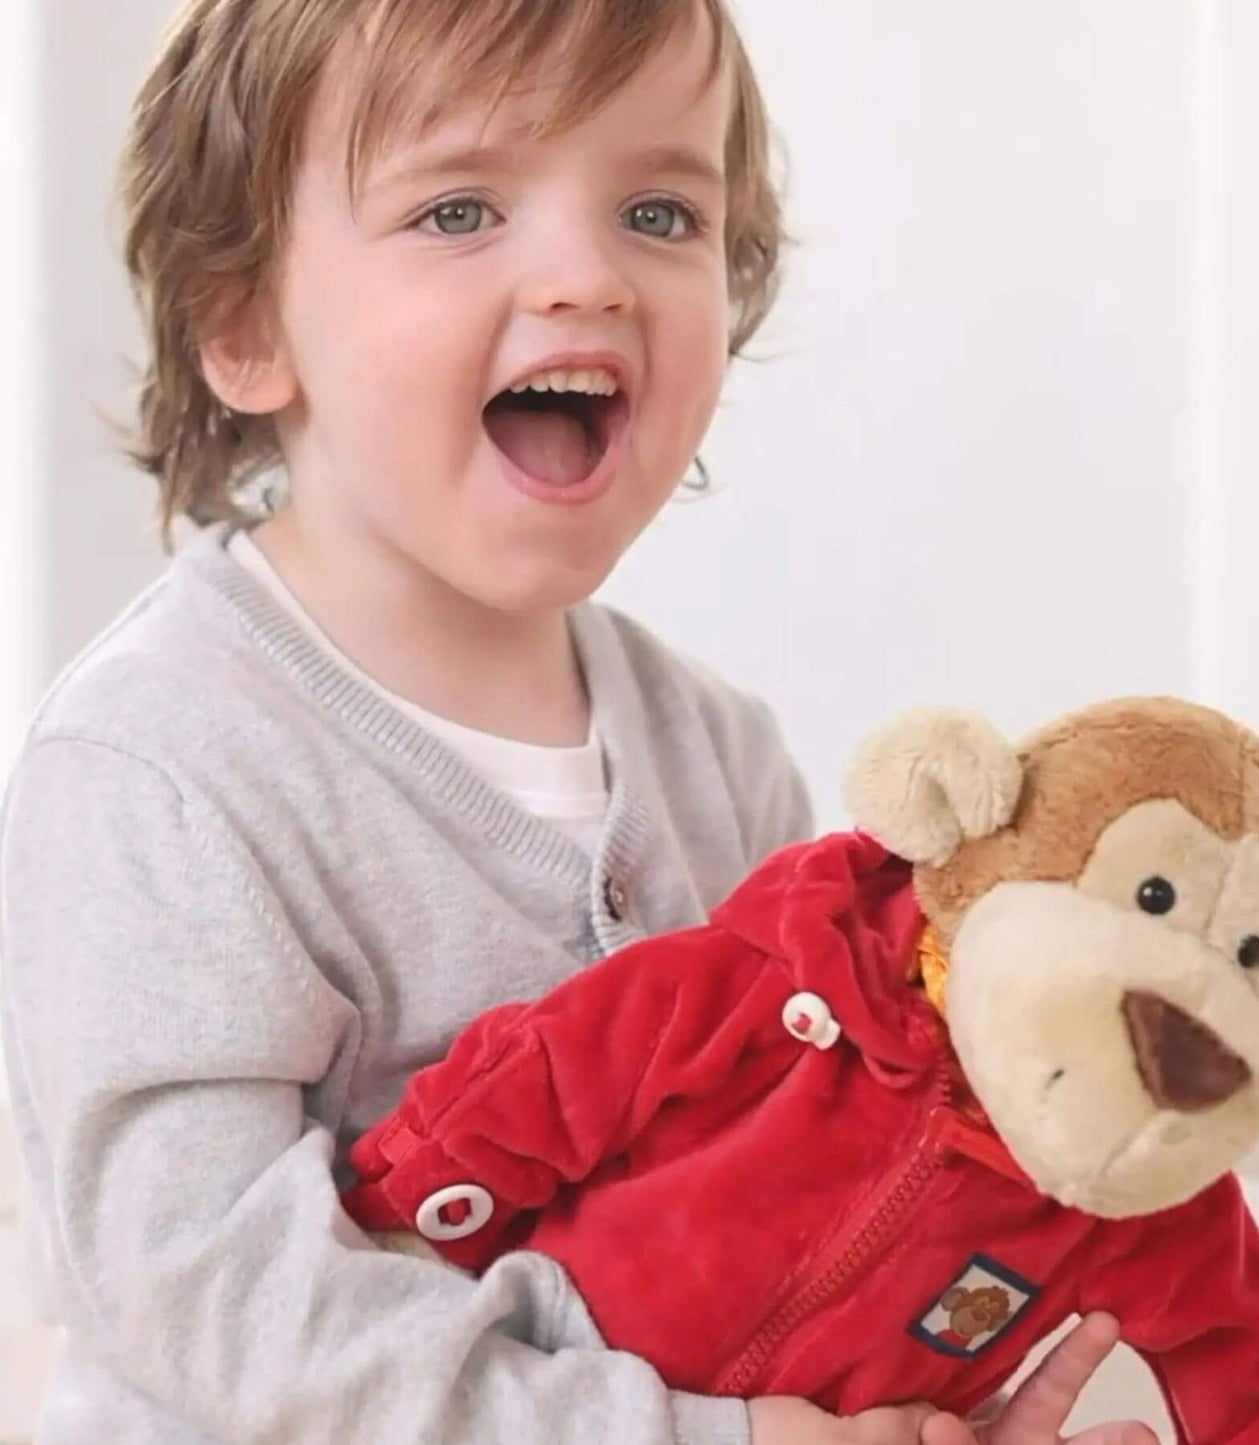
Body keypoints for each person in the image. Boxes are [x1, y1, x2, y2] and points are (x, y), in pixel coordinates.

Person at [0, 2, 1159, 1441]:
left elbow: (788, 1188)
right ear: (242, 324)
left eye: (658, 210)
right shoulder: (165, 762)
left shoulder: (715, 754)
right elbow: (219, 1298)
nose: (587, 275)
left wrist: (905, 1399)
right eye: (461, 207)